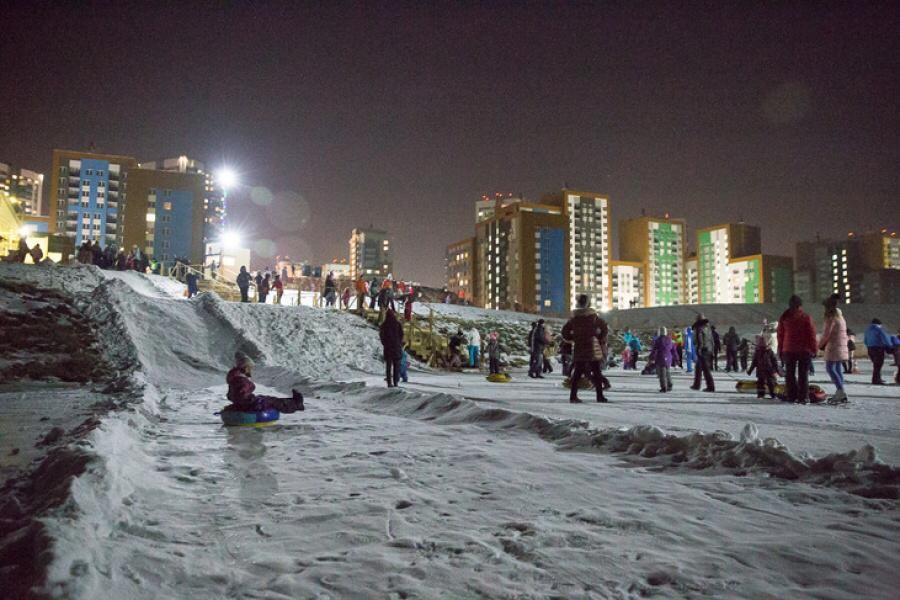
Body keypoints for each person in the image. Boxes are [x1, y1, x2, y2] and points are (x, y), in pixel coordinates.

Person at [562, 294, 609, 403]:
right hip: (593, 348)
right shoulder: (594, 318)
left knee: (577, 373)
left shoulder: (574, 319)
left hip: (579, 348)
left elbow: (565, 332)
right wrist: (599, 339)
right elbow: (604, 329)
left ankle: (573, 396)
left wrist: (573, 338)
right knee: (596, 372)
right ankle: (599, 396)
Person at [225, 351, 304, 413]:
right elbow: (242, 396)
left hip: (242, 404)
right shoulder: (241, 380)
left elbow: (232, 395)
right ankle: (296, 404)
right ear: (246, 368)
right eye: (250, 368)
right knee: (273, 401)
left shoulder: (234, 377)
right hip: (248, 405)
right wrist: (254, 401)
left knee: (267, 398)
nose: (251, 370)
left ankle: (293, 401)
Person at [777, 295, 818, 404]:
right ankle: (803, 397)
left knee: (789, 374)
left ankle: (791, 396)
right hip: (804, 350)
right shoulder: (806, 317)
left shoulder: (784, 318)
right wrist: (814, 349)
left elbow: (780, 336)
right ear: (800, 305)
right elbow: (811, 335)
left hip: (788, 349)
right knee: (803, 374)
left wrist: (780, 350)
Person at [819, 293, 849, 403]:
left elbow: (826, 334)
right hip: (840, 346)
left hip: (834, 346)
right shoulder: (840, 317)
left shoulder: (831, 318)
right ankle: (841, 392)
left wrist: (819, 345)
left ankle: (840, 391)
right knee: (837, 368)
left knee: (830, 368)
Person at [748, 335, 780, 399]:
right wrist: (750, 370)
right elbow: (754, 362)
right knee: (761, 383)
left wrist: (777, 370)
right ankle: (761, 394)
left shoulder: (769, 351)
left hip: (768, 370)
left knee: (770, 383)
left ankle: (772, 394)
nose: (762, 347)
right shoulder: (758, 352)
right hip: (762, 370)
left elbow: (774, 362)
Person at [690, 313, 716, 392]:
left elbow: (699, 340)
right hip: (709, 349)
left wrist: (699, 349)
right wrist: (712, 351)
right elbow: (712, 340)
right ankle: (696, 385)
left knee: (705, 369)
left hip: (702, 350)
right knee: (698, 367)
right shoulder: (708, 328)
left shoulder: (698, 328)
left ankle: (711, 386)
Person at [864, 318, 893, 385]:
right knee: (878, 365)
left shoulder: (867, 330)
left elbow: (865, 341)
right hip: (878, 349)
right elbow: (885, 339)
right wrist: (890, 346)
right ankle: (875, 380)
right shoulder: (879, 330)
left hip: (870, 349)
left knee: (876, 365)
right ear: (879, 324)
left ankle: (878, 378)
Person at [379, 309, 404, 387]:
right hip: (396, 347)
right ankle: (396, 382)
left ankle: (389, 382)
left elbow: (381, 336)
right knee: (396, 366)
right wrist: (399, 342)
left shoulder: (384, 325)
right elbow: (401, 334)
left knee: (388, 367)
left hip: (388, 348)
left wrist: (385, 343)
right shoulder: (397, 324)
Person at [649, 327, 678, 392]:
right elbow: (673, 350)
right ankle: (670, 384)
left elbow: (654, 350)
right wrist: (676, 358)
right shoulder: (670, 340)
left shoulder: (658, 340)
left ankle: (664, 387)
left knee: (662, 373)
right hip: (668, 358)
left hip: (660, 357)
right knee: (667, 372)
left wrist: (651, 357)